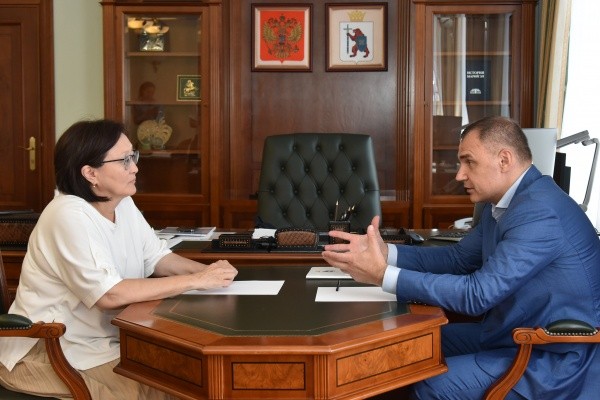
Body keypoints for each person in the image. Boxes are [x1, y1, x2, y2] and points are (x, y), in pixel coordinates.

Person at [322, 116, 600, 399]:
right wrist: (387, 253)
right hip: (512, 335)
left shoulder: (539, 212)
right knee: (410, 343)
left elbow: (478, 294)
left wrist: (383, 275)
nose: (459, 175)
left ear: (504, 160)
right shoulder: (505, 202)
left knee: (431, 385)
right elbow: (459, 259)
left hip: (551, 357)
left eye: (469, 162)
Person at [0, 119, 238, 399]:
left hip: (107, 342)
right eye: (124, 160)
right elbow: (109, 294)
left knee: (190, 377)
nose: (135, 167)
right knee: (175, 387)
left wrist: (212, 274)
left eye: (133, 156)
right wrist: (197, 280)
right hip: (53, 350)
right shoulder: (67, 215)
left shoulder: (122, 202)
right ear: (91, 173)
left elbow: (157, 257)